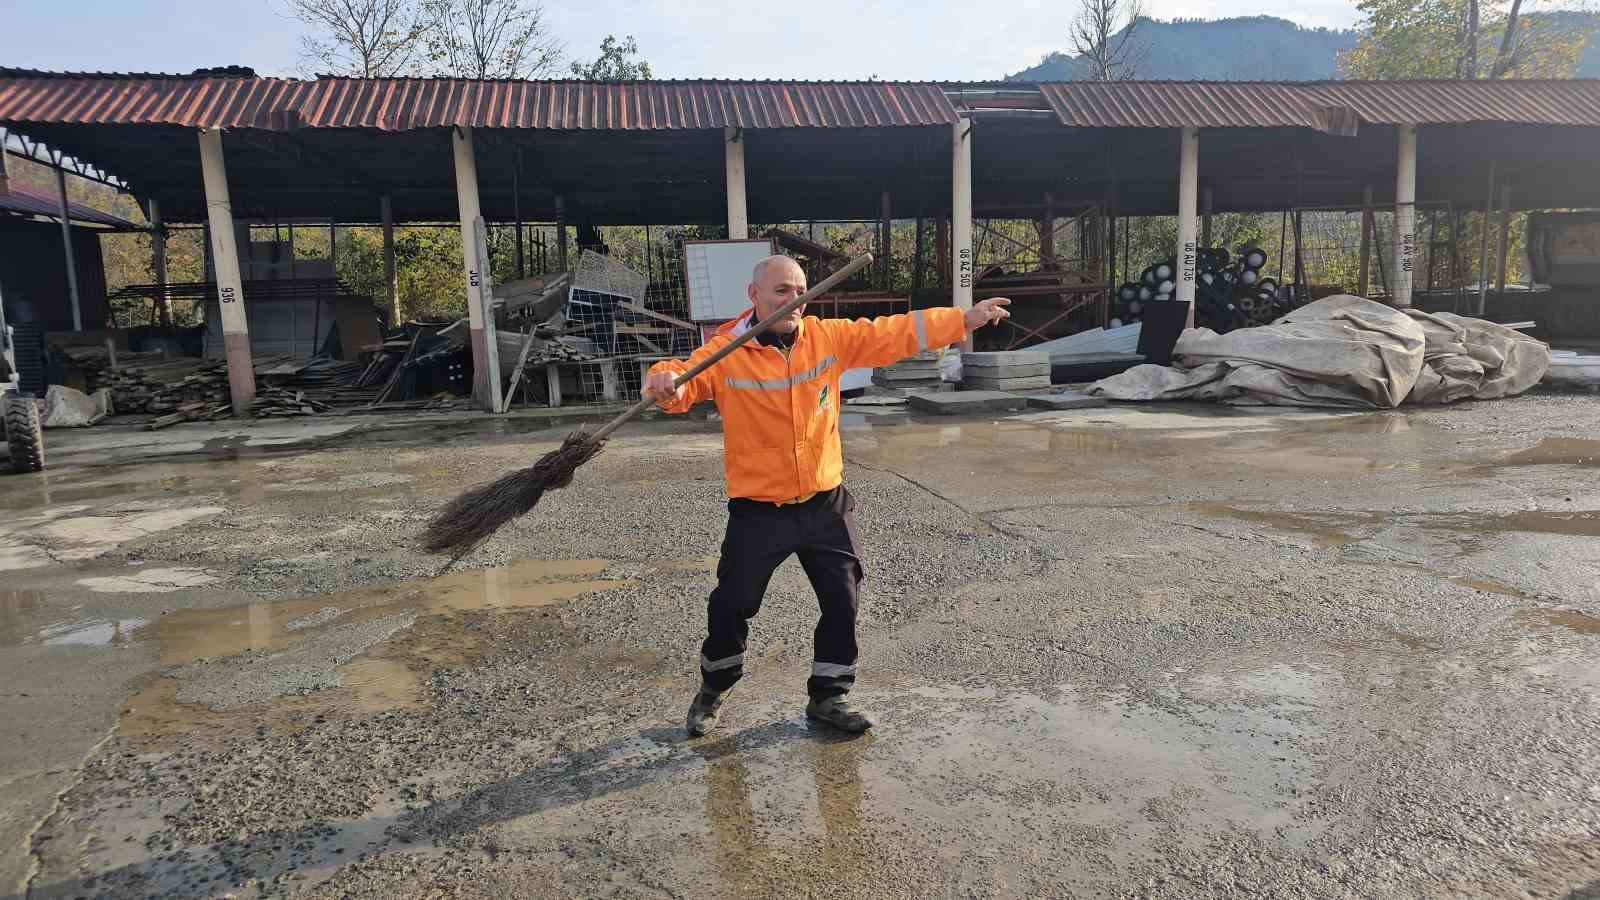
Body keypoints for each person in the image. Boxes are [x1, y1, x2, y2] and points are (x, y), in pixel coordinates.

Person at [643, 254, 1011, 736]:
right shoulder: (727, 350)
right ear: (754, 296)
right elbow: (682, 380)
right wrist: (663, 381)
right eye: (781, 291)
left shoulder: (827, 339)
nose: (793, 300)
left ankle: (829, 697)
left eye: (800, 290)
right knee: (732, 605)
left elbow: (892, 333)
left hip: (824, 501)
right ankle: (714, 688)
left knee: (843, 599)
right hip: (759, 509)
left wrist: (962, 319)